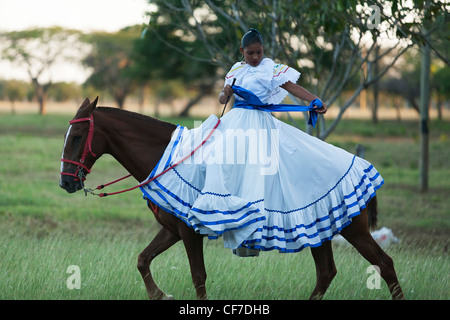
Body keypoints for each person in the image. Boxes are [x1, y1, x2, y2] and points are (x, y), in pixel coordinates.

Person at [140, 29, 384, 254]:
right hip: (235, 121)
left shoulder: (271, 69)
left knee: (258, 170)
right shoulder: (236, 70)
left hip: (259, 125)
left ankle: (251, 216)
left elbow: (292, 87)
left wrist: (315, 100)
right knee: (214, 157)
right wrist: (225, 93)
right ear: (242, 52)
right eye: (250, 53)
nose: (255, 57)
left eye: (259, 52)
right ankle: (217, 209)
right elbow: (223, 94)